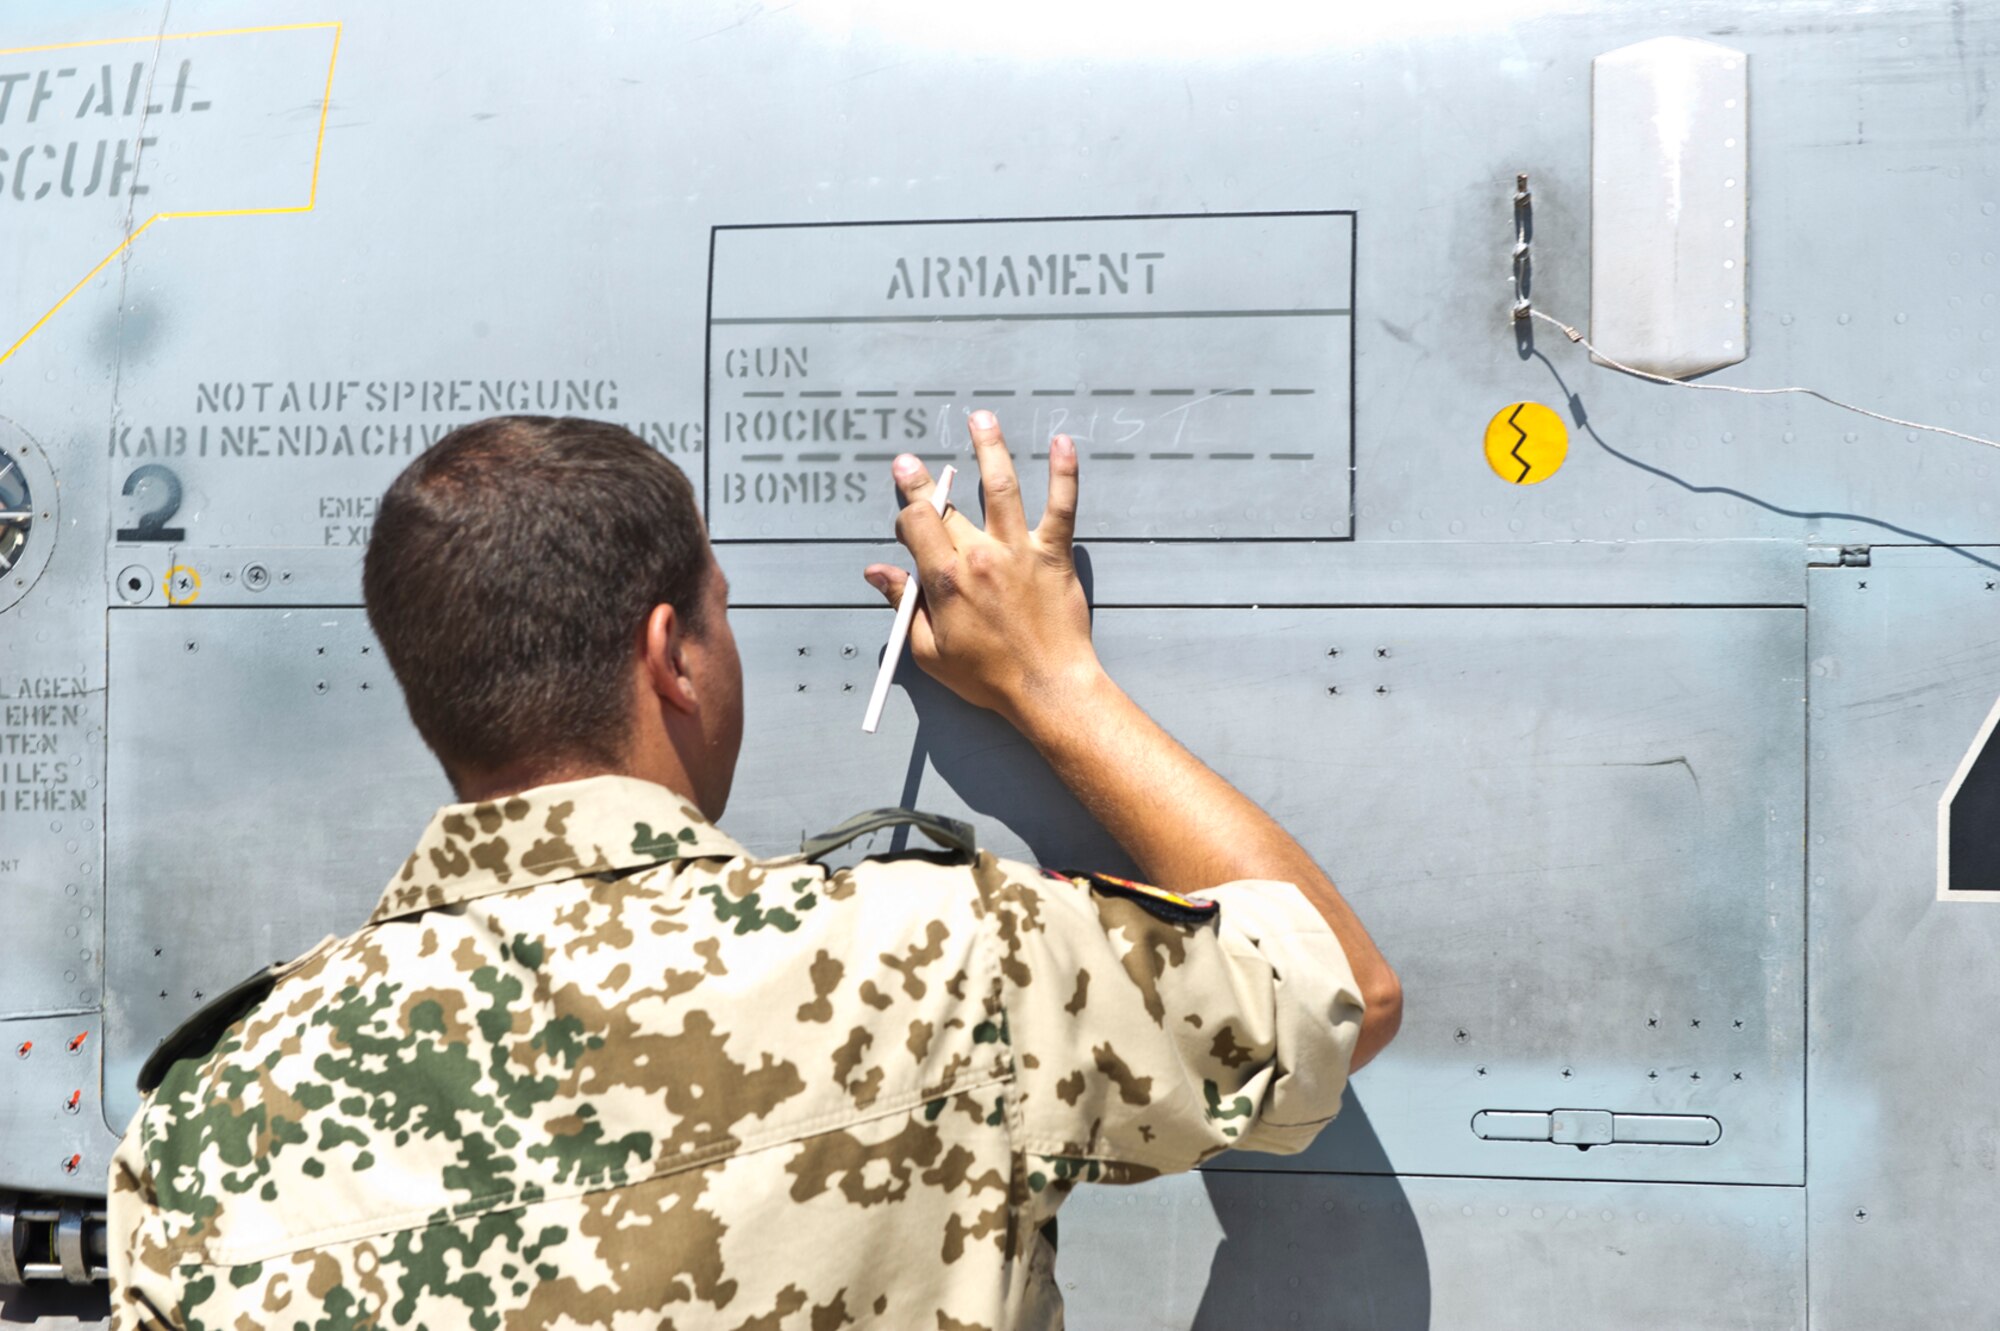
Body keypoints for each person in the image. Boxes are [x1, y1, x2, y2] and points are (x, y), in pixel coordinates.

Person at [108, 410, 1401, 1329]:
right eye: (722, 618)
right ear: (671, 655)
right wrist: (1054, 684)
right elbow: (1337, 985)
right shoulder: (939, 964)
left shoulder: (209, 1121)